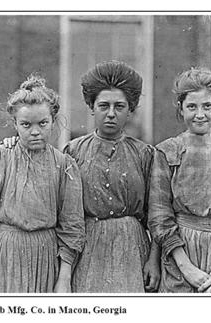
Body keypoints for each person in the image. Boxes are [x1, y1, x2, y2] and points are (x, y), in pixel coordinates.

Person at [0, 75, 85, 293]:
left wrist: (64, 278)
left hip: (45, 255)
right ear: (15, 124)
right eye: (26, 124)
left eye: (43, 123)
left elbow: (72, 224)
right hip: (6, 254)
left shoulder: (64, 165)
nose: (35, 131)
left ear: (53, 121)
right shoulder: (0, 156)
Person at [64, 60, 161, 293]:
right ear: (91, 107)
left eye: (119, 106)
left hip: (132, 248)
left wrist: (153, 261)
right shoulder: (73, 152)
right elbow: (65, 213)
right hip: (87, 249)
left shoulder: (145, 154)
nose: (110, 114)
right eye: (103, 106)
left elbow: (157, 213)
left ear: (130, 109)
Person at [148, 67, 211, 293]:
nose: (200, 114)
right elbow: (159, 215)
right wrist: (187, 268)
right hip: (179, 255)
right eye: (191, 107)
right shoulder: (168, 152)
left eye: (208, 106)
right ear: (180, 109)